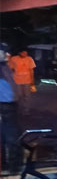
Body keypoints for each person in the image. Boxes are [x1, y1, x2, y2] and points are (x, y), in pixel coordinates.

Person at [1, 42, 22, 172]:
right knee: (12, 136)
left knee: (8, 136)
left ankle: (8, 164)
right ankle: (13, 165)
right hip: (4, 106)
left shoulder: (5, 66)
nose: (8, 54)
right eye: (4, 51)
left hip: (9, 105)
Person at [8, 49, 36, 116]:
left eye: (26, 53)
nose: (25, 54)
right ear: (20, 52)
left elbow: (31, 71)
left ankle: (26, 110)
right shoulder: (14, 59)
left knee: (27, 96)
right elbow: (10, 69)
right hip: (17, 81)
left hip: (27, 81)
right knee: (19, 96)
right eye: (24, 53)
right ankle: (19, 109)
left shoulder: (29, 59)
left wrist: (32, 82)